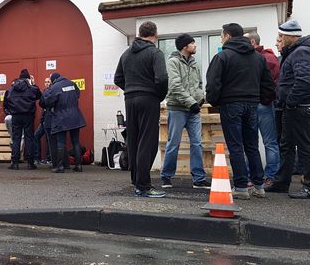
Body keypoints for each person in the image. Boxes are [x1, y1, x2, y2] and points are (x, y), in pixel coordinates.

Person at [206, 23, 274, 199]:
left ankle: (242, 187)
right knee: (252, 145)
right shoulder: (258, 58)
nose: (221, 38)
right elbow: (268, 84)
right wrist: (261, 99)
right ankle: (259, 186)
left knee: (236, 146)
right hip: (252, 105)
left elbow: (213, 84)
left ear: (227, 36)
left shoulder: (222, 57)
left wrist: (215, 101)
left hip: (230, 105)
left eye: (222, 35)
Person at [114, 21, 168, 198]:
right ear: (155, 34)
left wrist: (131, 89)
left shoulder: (126, 53)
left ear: (139, 33)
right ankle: (144, 186)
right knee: (148, 142)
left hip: (130, 99)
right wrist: (157, 95)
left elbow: (118, 78)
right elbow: (161, 78)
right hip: (148, 99)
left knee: (134, 140)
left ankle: (136, 180)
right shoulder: (155, 52)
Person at [266, 20, 310, 199]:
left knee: (305, 148)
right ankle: (282, 182)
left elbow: (305, 80)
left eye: (282, 36)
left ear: (293, 36)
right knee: (287, 146)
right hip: (291, 108)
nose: (279, 39)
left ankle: (308, 186)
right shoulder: (293, 52)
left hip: (299, 108)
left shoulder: (301, 52)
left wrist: (291, 101)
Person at [160, 34, 210, 189]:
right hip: (177, 109)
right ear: (184, 46)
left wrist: (200, 98)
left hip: (193, 110)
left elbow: (199, 84)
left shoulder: (194, 63)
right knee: (173, 143)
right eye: (192, 43)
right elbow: (174, 86)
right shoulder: (173, 62)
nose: (195, 46)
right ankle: (166, 176)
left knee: (197, 143)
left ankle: (199, 179)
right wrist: (191, 103)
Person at [244, 31, 280, 185]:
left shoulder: (264, 58)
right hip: (262, 104)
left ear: (252, 42)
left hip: (258, 104)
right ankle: (268, 177)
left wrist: (264, 99)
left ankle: (260, 176)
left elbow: (272, 84)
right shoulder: (269, 57)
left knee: (260, 142)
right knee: (267, 142)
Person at [43, 72, 86, 173]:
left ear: (53, 80)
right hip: (75, 116)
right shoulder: (72, 83)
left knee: (61, 142)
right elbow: (78, 95)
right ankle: (78, 165)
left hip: (61, 117)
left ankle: (60, 166)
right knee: (75, 141)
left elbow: (49, 102)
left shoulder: (55, 87)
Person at [4, 69, 41, 170]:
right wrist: (33, 83)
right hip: (28, 115)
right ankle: (30, 162)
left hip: (16, 115)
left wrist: (10, 111)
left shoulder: (12, 88)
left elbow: (6, 101)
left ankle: (14, 162)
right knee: (29, 138)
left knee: (16, 138)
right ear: (28, 78)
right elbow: (39, 96)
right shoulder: (31, 88)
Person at [34, 77, 53, 165]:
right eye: (45, 82)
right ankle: (37, 158)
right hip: (44, 119)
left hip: (50, 119)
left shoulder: (52, 92)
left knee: (49, 139)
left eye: (48, 82)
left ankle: (50, 159)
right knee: (36, 136)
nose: (47, 83)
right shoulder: (44, 91)